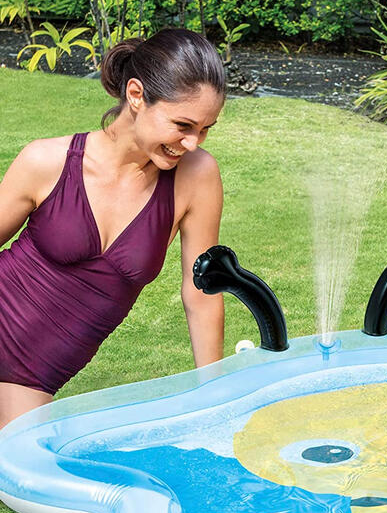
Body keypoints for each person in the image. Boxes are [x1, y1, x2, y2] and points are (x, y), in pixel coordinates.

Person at [0, 28, 227, 429]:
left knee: (28, 477)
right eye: (183, 125)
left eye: (205, 129)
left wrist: (214, 399)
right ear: (137, 96)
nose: (192, 143)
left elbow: (202, 295)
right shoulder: (46, 160)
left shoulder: (197, 176)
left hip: (30, 376)